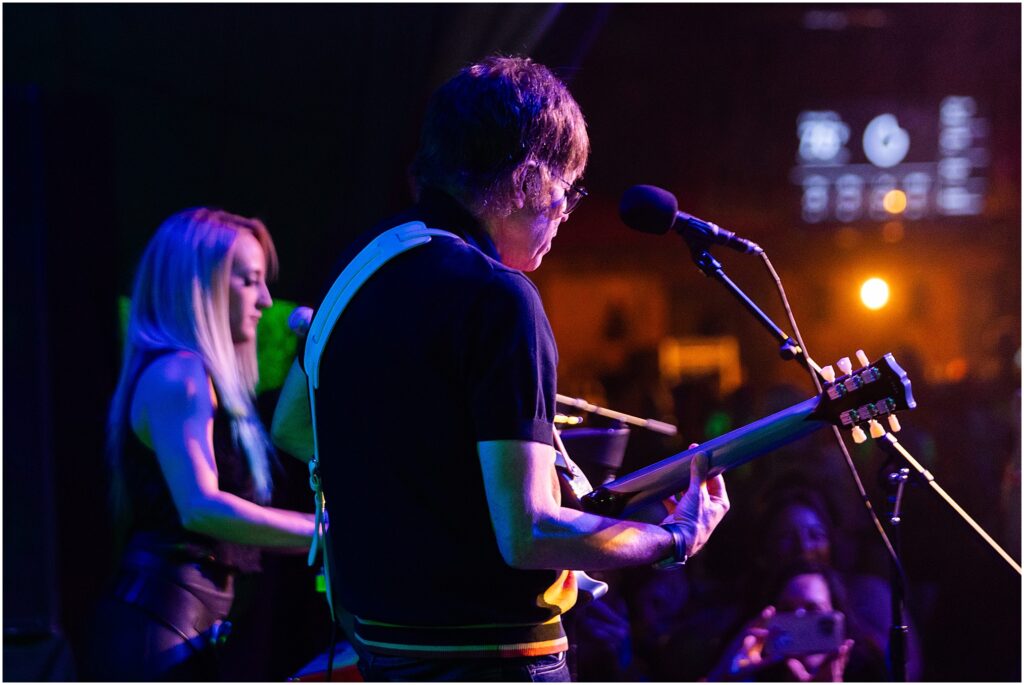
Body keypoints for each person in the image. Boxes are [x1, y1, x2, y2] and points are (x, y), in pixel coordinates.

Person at [271, 56, 730, 682]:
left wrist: (426, 496)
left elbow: (295, 427)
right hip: (493, 661)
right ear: (527, 179)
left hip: (381, 653)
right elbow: (530, 532)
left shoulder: (359, 269)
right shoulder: (500, 298)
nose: (566, 213)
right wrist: (673, 539)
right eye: (567, 191)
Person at [81, 208, 316, 681]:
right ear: (200, 287)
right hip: (160, 627)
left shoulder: (196, 379)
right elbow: (199, 506)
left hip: (181, 626)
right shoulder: (180, 373)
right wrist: (323, 534)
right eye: (249, 281)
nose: (265, 300)